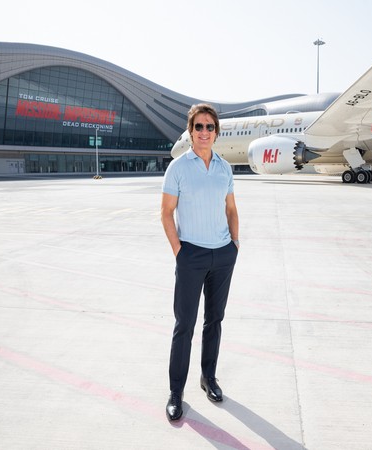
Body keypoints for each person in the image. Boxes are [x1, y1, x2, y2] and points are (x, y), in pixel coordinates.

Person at [161, 103, 239, 422]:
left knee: (214, 321)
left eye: (209, 127)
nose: (204, 132)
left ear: (216, 133)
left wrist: (234, 244)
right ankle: (176, 392)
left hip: (222, 254)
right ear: (190, 132)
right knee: (184, 326)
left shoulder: (224, 168)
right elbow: (166, 213)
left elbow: (232, 209)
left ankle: (209, 379)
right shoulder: (178, 168)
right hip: (191, 254)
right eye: (198, 127)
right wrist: (180, 251)